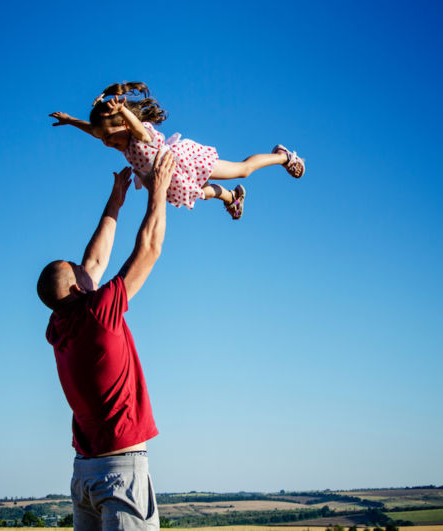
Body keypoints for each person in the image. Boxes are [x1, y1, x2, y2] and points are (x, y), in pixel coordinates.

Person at [36, 151, 177, 530]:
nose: (87, 270)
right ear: (78, 289)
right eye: (79, 273)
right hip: (119, 472)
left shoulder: (58, 326)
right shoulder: (99, 313)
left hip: (85, 474)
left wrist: (115, 200)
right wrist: (158, 191)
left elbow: (93, 263)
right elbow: (148, 249)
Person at [49, 81, 305, 220]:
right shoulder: (119, 138)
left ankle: (283, 156)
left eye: (108, 137)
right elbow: (94, 130)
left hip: (185, 163)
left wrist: (123, 109)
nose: (105, 143)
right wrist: (71, 120)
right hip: (171, 180)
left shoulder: (140, 136)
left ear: (124, 124)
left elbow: (136, 127)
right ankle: (231, 198)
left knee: (243, 171)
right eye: (102, 139)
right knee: (201, 195)